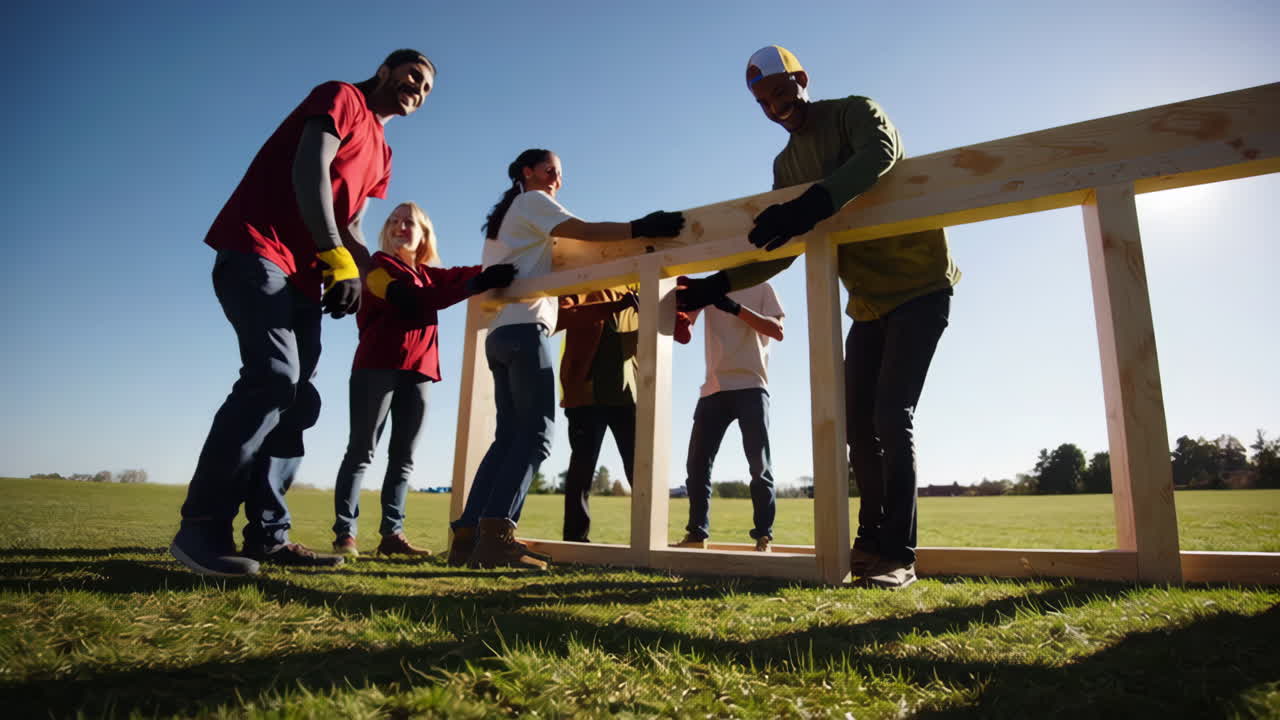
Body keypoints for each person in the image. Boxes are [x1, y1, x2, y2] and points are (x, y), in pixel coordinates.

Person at [677, 46, 960, 589]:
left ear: (802, 79)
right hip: (869, 303)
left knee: (890, 415)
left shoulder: (857, 111)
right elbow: (784, 246)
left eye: (782, 92)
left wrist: (815, 202)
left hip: (921, 284)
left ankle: (900, 553)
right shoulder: (785, 166)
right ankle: (871, 544)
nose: (776, 107)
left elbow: (880, 155)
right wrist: (717, 284)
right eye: (763, 102)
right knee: (857, 425)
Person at [170, 49, 437, 576]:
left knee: (296, 399)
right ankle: (201, 527)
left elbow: (354, 224)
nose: (419, 89)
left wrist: (375, 278)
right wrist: (334, 253)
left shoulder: (382, 153)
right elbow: (308, 167)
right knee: (273, 378)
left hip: (305, 278)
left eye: (427, 89)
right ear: (384, 70)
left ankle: (268, 536)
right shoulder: (341, 96)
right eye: (413, 76)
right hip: (258, 252)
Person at [448, 148, 684, 570]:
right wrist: (640, 228)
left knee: (507, 440)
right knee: (536, 437)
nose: (556, 180)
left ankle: (467, 538)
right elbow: (583, 231)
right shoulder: (531, 201)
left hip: (500, 335)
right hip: (524, 331)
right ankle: (497, 539)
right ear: (527, 172)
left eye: (559, 175)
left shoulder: (504, 221)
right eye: (550, 171)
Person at [330, 202, 516, 559]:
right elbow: (412, 300)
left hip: (421, 371)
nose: (400, 227)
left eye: (409, 222)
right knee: (362, 450)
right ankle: (345, 534)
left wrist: (510, 268)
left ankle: (392, 536)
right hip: (376, 366)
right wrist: (478, 283)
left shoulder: (431, 274)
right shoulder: (376, 268)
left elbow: (467, 276)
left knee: (403, 457)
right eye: (394, 221)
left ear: (424, 234)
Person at [672, 282, 784, 552]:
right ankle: (697, 534)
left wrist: (734, 308)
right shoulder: (709, 288)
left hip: (752, 386)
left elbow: (776, 330)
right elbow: (684, 333)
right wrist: (678, 308)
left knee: (760, 467)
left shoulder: (763, 286)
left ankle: (763, 536)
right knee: (697, 466)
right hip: (713, 389)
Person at [556, 287, 640, 543]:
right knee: (582, 468)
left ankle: (648, 537)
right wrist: (613, 306)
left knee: (640, 468)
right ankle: (575, 539)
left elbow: (679, 331)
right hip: (585, 395)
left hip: (628, 397)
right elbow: (559, 316)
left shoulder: (641, 287)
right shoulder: (588, 283)